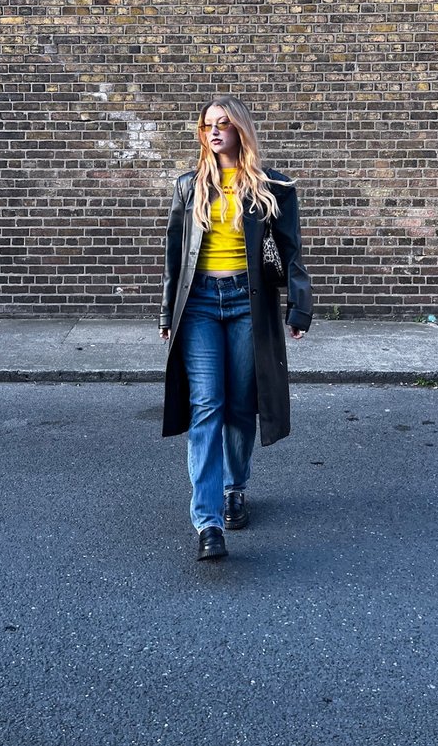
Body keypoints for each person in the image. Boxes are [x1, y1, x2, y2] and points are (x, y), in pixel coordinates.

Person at [159, 95, 312, 561]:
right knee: (207, 405)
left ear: (240, 129)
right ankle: (206, 523)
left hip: (249, 303)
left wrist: (299, 308)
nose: (214, 132)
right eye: (208, 125)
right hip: (200, 303)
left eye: (223, 124)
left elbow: (291, 252)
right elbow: (174, 257)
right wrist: (168, 313)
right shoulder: (189, 186)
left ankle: (234, 488)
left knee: (243, 405)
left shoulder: (273, 187)